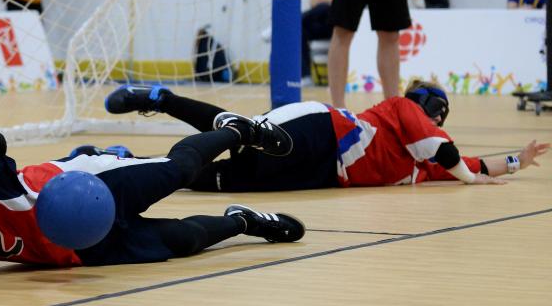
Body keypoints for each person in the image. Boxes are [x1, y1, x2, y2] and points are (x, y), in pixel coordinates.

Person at [0, 105, 304, 288]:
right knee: (183, 240)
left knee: (177, 170)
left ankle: (236, 130)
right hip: (73, 247)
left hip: (83, 185)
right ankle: (243, 222)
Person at [103, 83, 549, 192]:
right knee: (239, 136)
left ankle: (124, 162)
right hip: (323, 131)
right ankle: (163, 99)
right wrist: (473, 180)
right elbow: (455, 157)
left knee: (214, 179)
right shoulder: (405, 110)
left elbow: (470, 164)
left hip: (322, 174)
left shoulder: (423, 162)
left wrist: (518, 162)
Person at [301, 0, 337, 85]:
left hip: (340, 24)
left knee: (325, 6)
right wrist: (328, 1)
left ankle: (291, 23)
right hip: (324, 23)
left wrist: (327, 1)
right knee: (300, 30)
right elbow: (312, 2)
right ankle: (305, 77)